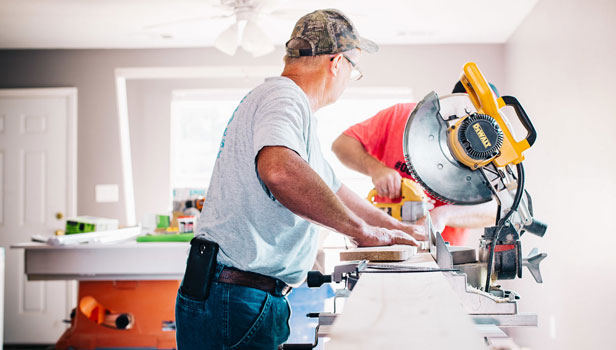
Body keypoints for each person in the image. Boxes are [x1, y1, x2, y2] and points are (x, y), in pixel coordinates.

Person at [174, 9, 423, 350]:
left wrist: (398, 231)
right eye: (354, 68)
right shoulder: (284, 97)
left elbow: (335, 189)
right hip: (236, 296)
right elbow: (280, 171)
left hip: (236, 293)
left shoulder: (288, 107)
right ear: (336, 62)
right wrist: (362, 233)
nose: (350, 78)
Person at [332, 82, 500, 246]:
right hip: (384, 241)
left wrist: (444, 215)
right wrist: (375, 168)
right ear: (450, 102)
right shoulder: (402, 116)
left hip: (443, 252)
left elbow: (496, 209)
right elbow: (342, 144)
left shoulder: (488, 152)